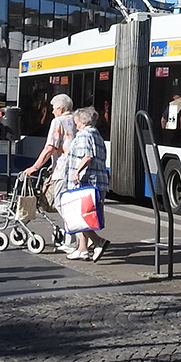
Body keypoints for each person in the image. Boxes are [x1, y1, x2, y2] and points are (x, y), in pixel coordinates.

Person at [22, 94, 76, 252]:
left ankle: (71, 241)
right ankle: (79, 240)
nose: (52, 111)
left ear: (60, 108)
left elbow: (50, 147)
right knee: (72, 204)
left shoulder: (58, 121)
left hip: (62, 170)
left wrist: (35, 167)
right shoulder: (76, 119)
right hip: (74, 169)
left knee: (62, 204)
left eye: (53, 108)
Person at [64, 106, 110, 262]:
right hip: (97, 181)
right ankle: (82, 249)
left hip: (86, 181)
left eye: (76, 120)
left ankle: (98, 241)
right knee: (84, 216)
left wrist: (76, 171)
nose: (75, 123)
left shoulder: (84, 134)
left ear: (82, 120)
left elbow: (87, 156)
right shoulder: (96, 134)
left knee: (79, 217)